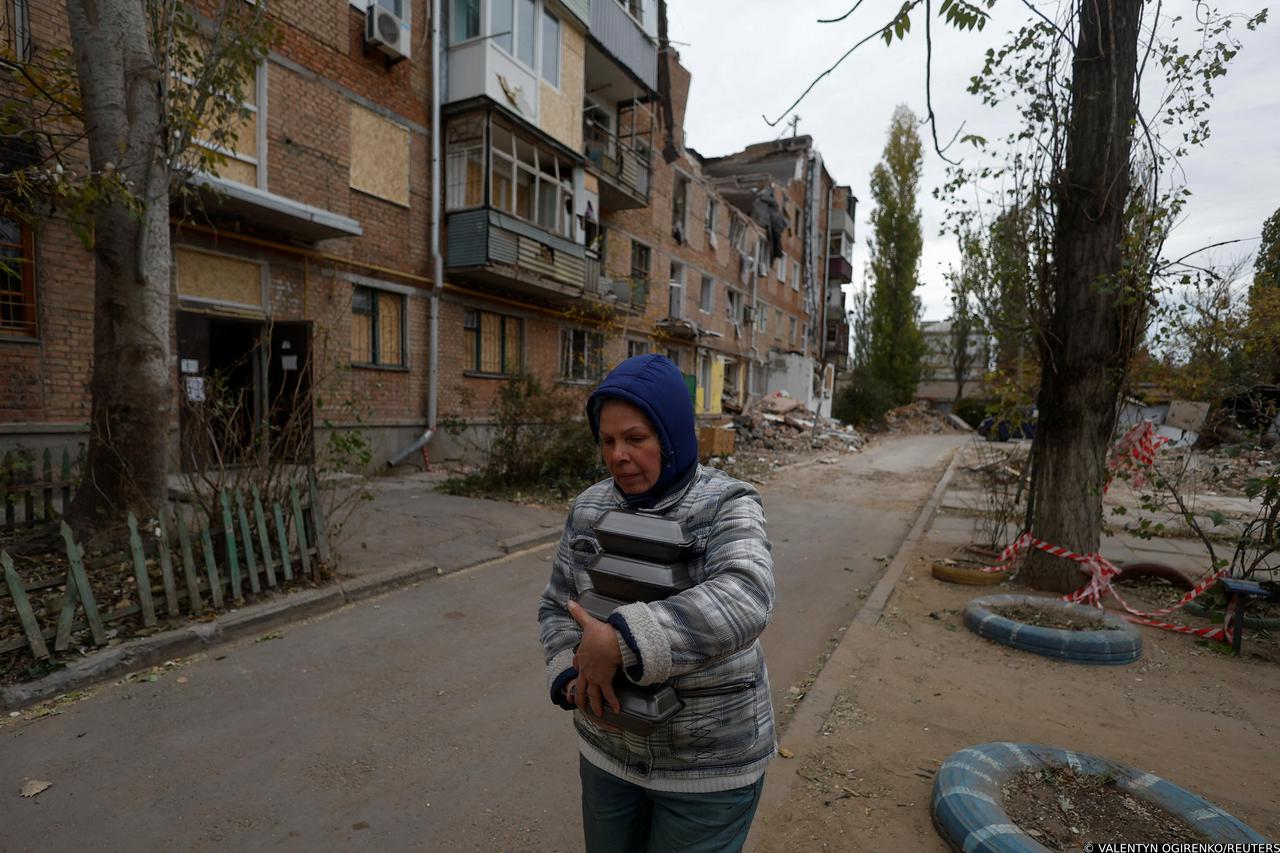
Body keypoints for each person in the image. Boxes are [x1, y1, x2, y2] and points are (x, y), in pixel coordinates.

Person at [537, 354, 777, 852]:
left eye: (636, 438)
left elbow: (746, 594)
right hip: (608, 753)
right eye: (607, 441)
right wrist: (569, 671)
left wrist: (622, 642)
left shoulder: (727, 504)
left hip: (707, 771)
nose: (618, 455)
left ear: (670, 435)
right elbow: (558, 607)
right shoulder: (588, 508)